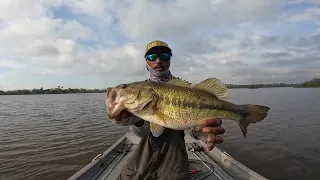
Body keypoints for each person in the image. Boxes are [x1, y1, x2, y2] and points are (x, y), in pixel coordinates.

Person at [114, 40, 225, 180]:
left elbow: (191, 128)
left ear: (170, 60)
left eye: (164, 56)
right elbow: (143, 134)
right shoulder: (141, 91)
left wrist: (201, 131)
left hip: (175, 157)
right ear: (146, 62)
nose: (158, 61)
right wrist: (135, 121)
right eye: (152, 57)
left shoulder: (185, 90)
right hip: (143, 156)